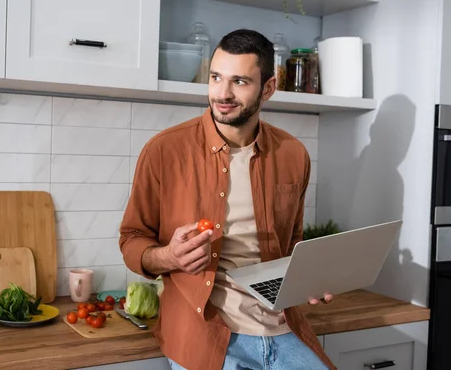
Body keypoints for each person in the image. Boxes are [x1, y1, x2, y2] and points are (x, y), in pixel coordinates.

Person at [119, 29, 336, 370]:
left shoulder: (294, 154)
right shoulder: (164, 151)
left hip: (282, 326)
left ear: (268, 88)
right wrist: (169, 256)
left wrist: (308, 279)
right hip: (205, 333)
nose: (222, 93)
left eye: (239, 81)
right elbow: (131, 240)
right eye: (216, 77)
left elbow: (292, 244)